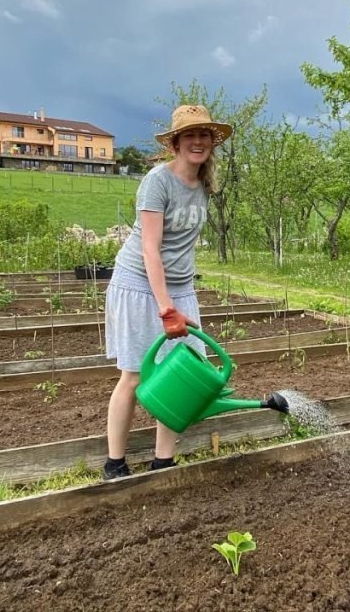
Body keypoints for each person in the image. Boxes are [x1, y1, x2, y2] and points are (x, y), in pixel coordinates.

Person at [102, 104, 233, 480]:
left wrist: (178, 299)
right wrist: (166, 308)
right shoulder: (157, 181)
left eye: (204, 135)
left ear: (212, 142)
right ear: (175, 143)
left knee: (180, 376)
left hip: (179, 288)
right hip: (139, 285)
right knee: (134, 375)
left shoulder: (204, 184)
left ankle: (163, 461)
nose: (198, 141)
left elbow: (182, 248)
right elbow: (150, 250)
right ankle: (114, 464)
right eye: (189, 135)